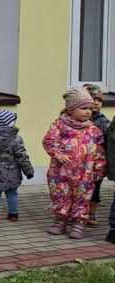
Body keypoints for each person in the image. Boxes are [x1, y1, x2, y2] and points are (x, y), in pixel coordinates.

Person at [42, 88, 106, 239]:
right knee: (61, 195)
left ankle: (79, 223)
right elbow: (49, 141)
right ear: (70, 109)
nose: (88, 112)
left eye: (90, 109)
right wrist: (59, 154)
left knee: (83, 197)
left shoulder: (93, 130)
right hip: (61, 172)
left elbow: (99, 150)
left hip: (85, 173)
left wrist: (99, 168)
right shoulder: (59, 125)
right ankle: (60, 221)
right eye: (83, 108)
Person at [83, 84, 110, 227]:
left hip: (97, 162)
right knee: (80, 187)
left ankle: (91, 213)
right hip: (81, 160)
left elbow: (108, 141)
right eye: (93, 99)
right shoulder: (79, 118)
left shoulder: (104, 121)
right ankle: (77, 212)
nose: (96, 103)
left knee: (95, 188)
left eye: (99, 100)